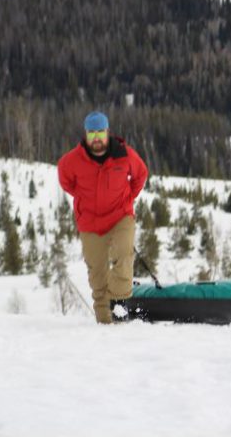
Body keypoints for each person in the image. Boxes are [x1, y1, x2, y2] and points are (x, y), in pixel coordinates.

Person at [57, 111, 148, 323]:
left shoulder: (124, 155)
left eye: (100, 133)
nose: (96, 139)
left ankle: (120, 306)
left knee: (123, 254)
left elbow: (140, 174)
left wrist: (128, 198)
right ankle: (105, 323)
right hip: (90, 222)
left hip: (120, 216)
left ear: (108, 132)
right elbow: (66, 182)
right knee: (97, 274)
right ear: (86, 135)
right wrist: (84, 200)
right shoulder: (71, 162)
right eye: (91, 133)